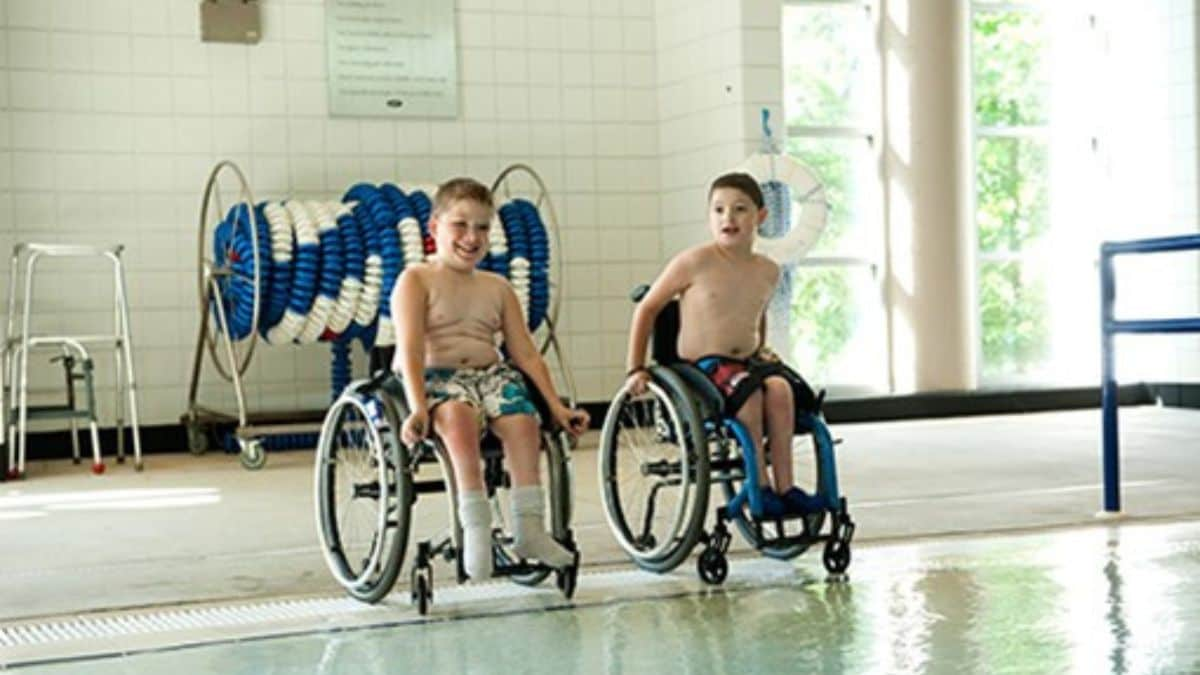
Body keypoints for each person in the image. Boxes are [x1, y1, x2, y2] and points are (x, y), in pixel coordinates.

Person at [391, 177, 589, 580]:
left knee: (523, 421)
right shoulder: (416, 280)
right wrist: (415, 409)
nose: (472, 237)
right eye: (460, 225)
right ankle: (477, 528)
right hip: (437, 378)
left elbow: (527, 354)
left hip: (490, 374)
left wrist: (555, 406)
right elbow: (410, 350)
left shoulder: (497, 287)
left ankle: (529, 528)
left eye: (482, 227)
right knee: (459, 420)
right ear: (434, 229)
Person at [623, 172, 819, 518]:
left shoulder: (767, 270)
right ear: (709, 217)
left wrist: (760, 347)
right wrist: (635, 367)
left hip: (747, 363)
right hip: (703, 367)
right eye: (719, 210)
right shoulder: (694, 262)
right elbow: (648, 308)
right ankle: (759, 484)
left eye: (740, 209)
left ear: (760, 217)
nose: (728, 218)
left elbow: (756, 314)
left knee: (781, 390)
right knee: (751, 393)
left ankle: (785, 486)